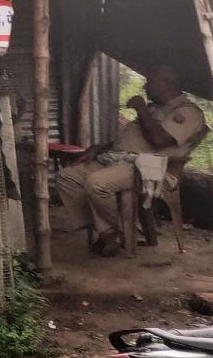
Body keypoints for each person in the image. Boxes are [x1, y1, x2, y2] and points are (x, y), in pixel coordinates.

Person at [57, 65, 204, 257]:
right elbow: (129, 140)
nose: (145, 87)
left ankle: (114, 233)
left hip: (149, 168)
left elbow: (158, 140)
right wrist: (97, 148)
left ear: (166, 83)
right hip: (119, 160)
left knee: (96, 182)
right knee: (67, 177)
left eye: (149, 82)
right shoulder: (154, 109)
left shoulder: (189, 112)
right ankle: (108, 231)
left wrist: (140, 107)